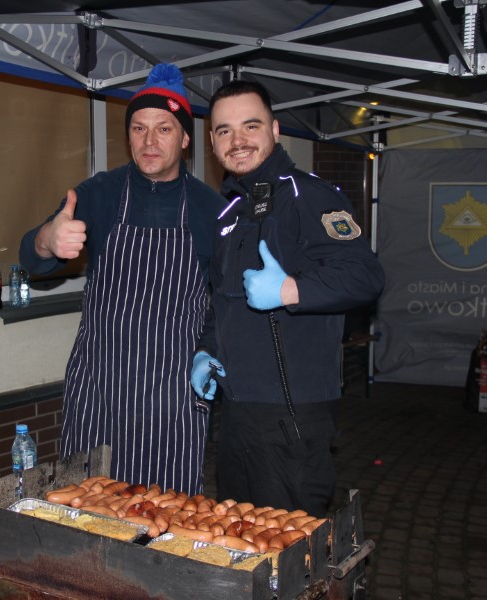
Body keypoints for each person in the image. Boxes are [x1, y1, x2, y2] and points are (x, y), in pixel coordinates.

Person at [19, 64, 227, 496]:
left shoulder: (210, 208)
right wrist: (46, 241)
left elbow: (226, 300)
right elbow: (32, 259)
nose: (149, 141)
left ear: (185, 138)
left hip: (173, 393)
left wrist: (210, 350)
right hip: (99, 386)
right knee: (88, 507)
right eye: (139, 128)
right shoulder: (98, 193)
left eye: (164, 129)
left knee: (166, 515)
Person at [190, 80, 385, 516]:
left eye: (250, 126)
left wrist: (290, 290)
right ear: (212, 142)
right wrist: (207, 350)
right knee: (239, 541)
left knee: (287, 556)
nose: (237, 140)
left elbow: (365, 275)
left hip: (291, 414)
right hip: (238, 409)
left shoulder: (308, 195)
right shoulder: (229, 212)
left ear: (275, 130)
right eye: (224, 130)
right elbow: (222, 301)